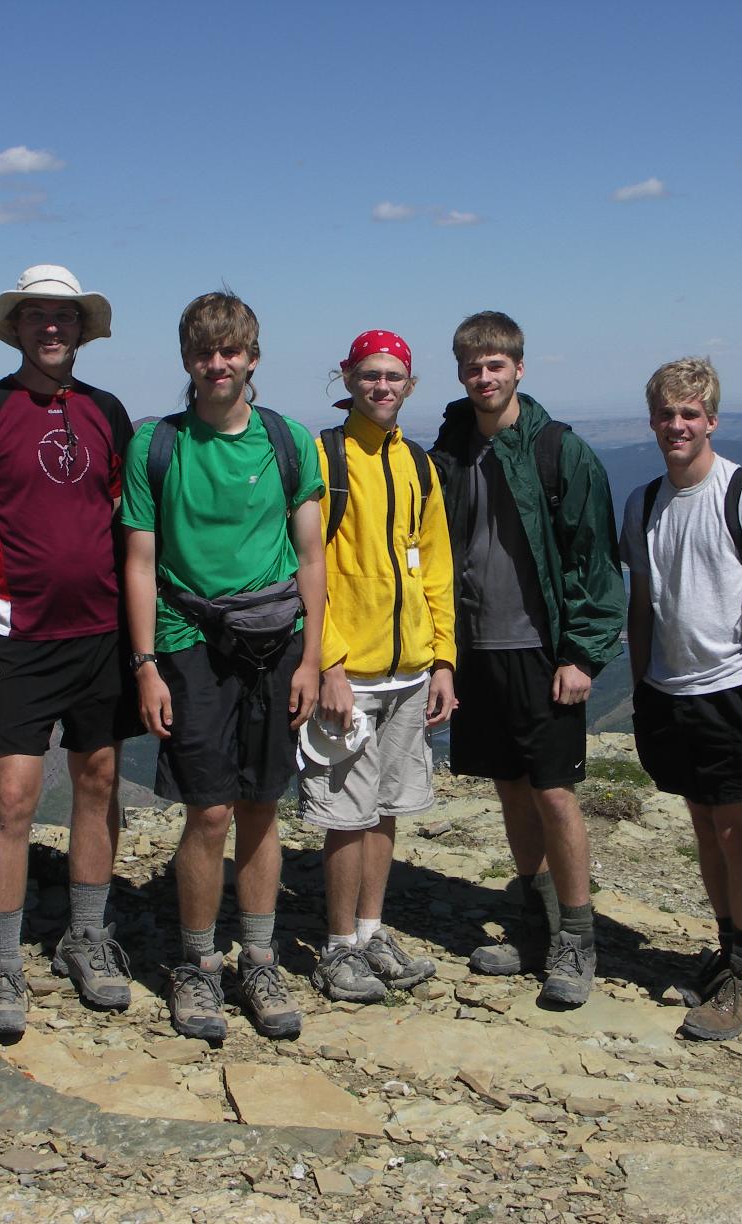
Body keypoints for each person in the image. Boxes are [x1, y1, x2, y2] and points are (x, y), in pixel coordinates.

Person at [0, 264, 139, 1041]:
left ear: (83, 330)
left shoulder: (107, 413)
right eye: (37, 315)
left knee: (98, 782)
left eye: (64, 316)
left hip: (101, 633)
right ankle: (3, 964)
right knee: (12, 798)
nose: (51, 327)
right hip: (15, 639)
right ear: (15, 327)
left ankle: (86, 936)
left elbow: (127, 521)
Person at [120, 291, 325, 1043]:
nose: (217, 364)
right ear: (187, 359)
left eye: (230, 350)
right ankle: (198, 963)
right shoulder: (155, 445)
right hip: (189, 641)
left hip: (275, 644)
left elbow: (312, 556)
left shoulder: (290, 441)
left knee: (262, 804)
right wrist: (146, 664)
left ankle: (260, 958)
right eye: (204, 352)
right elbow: (139, 562)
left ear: (252, 358)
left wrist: (312, 657)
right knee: (209, 810)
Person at [429, 311, 625, 1008]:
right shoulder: (452, 447)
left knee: (554, 793)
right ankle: (536, 927)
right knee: (511, 788)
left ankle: (578, 937)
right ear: (460, 373)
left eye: (496, 365)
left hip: (541, 650)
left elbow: (594, 560)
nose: (484, 377)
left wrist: (583, 655)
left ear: (519, 367)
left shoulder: (559, 450)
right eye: (473, 366)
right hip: (477, 647)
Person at [620, 357, 742, 1042]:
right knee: (704, 827)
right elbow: (641, 603)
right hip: (670, 691)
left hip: (734, 689)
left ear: (711, 420)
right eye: (667, 414)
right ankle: (729, 951)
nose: (677, 425)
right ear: (653, 421)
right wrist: (641, 687)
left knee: (735, 832)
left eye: (690, 413)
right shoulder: (642, 503)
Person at [303, 330, 457, 1002]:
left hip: (410, 668)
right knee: (346, 814)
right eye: (370, 375)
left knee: (385, 808)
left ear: (410, 385)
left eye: (394, 376)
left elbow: (436, 565)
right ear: (348, 380)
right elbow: (307, 566)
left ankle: (371, 933)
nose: (382, 386)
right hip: (352, 672)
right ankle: (338, 947)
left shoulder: (418, 463)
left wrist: (443, 659)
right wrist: (328, 664)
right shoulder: (324, 456)